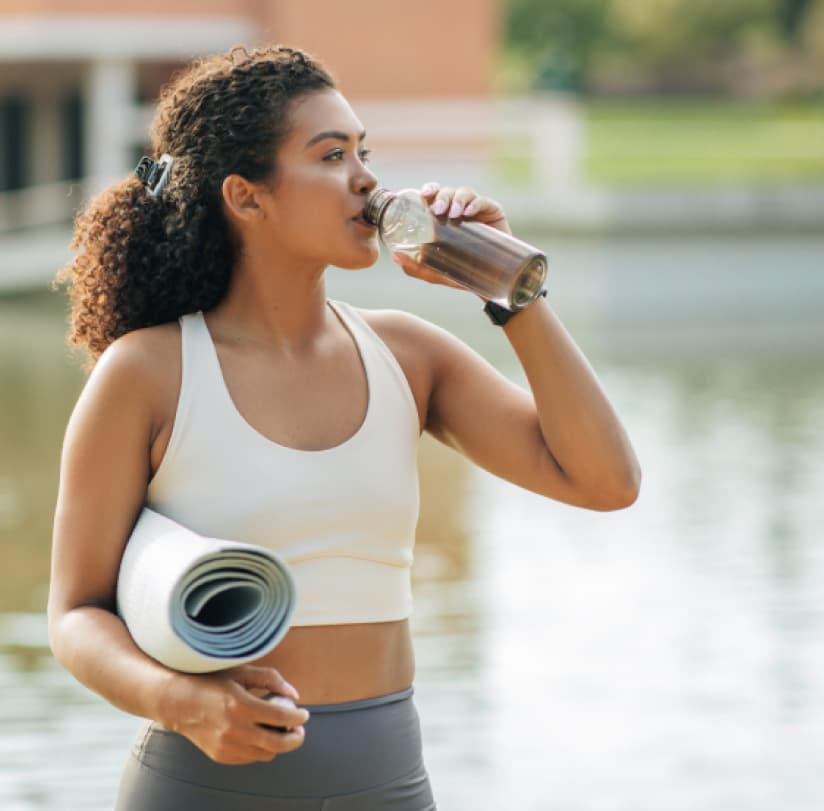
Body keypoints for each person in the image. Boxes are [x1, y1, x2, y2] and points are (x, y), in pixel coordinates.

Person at [48, 45, 640, 811]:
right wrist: (183, 703)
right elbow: (75, 614)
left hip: (387, 784)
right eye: (331, 155)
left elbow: (605, 480)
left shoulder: (409, 355)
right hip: (201, 787)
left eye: (365, 151)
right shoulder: (146, 373)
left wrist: (510, 290)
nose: (366, 177)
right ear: (247, 196)